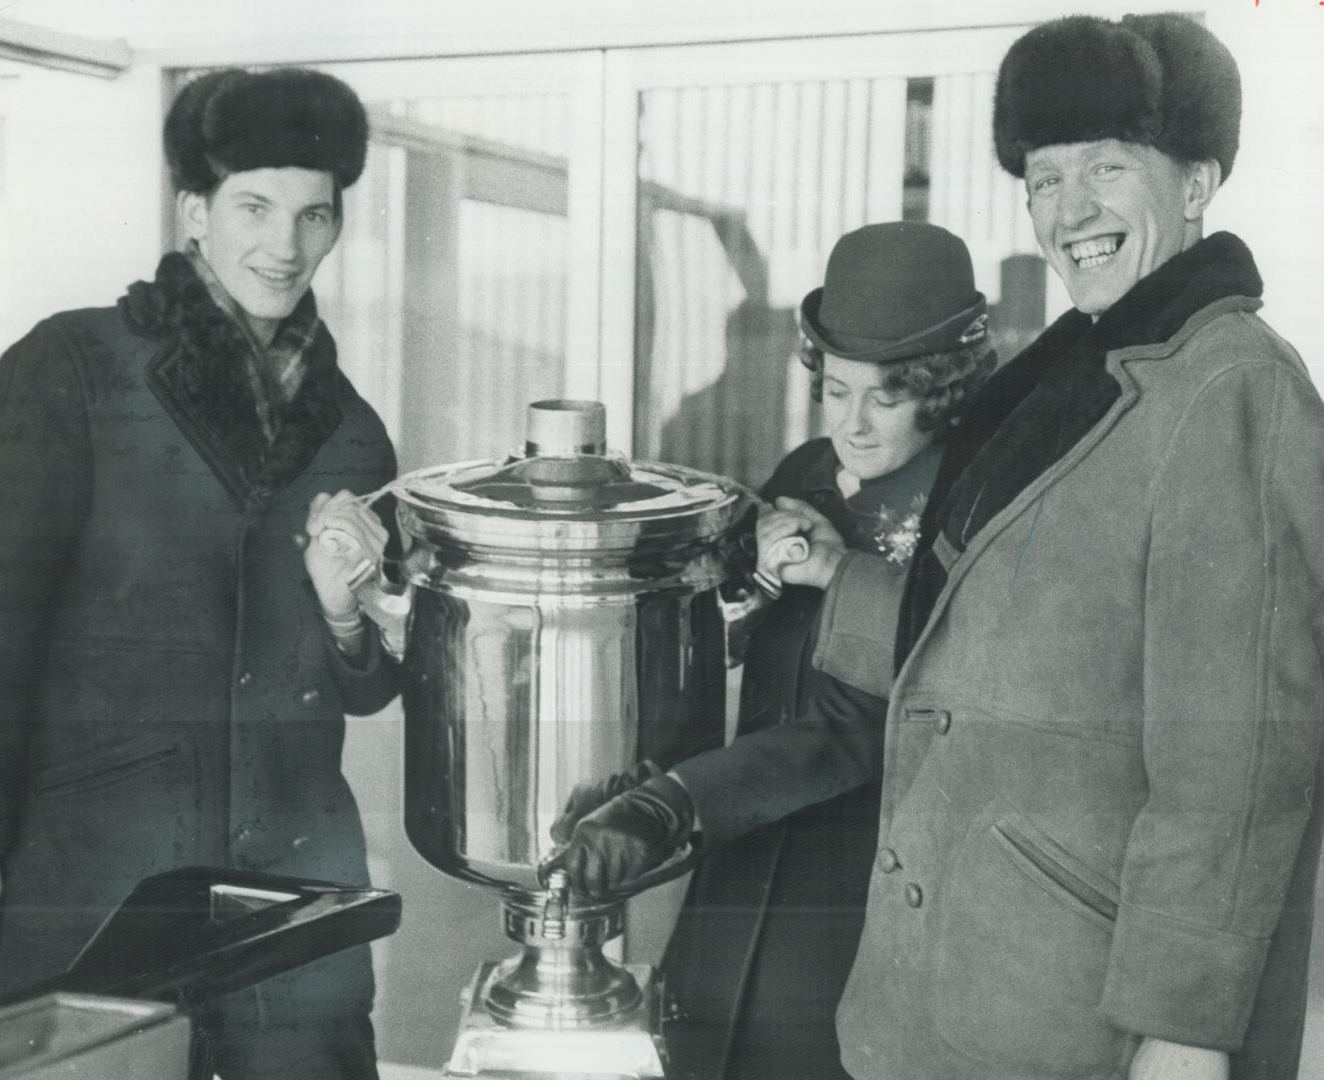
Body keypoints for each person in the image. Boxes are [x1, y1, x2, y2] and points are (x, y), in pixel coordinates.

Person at [763, 15, 1322, 1080]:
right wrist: (843, 585)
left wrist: (1185, 1038)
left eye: (1108, 168)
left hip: (1078, 1030)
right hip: (963, 996)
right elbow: (1019, 658)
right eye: (1043, 179)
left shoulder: (1232, 391)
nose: (1068, 213)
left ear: (1198, 180)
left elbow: (1234, 771)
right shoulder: (1079, 370)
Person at [0, 67, 400, 1080]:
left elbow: (370, 680)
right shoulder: (76, 367)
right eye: (254, 207)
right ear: (194, 211)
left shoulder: (352, 434)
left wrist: (350, 620)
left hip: (290, 888)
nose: (286, 245)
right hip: (98, 872)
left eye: (315, 215)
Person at [549, 221, 996, 1079]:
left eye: (886, 396)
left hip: (854, 892)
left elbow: (860, 727)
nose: (852, 425)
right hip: (737, 856)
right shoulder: (804, 473)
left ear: (940, 390)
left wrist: (671, 805)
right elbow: (744, 650)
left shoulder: (968, 510)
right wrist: (748, 587)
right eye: (834, 391)